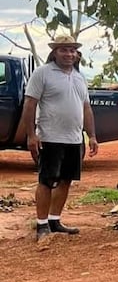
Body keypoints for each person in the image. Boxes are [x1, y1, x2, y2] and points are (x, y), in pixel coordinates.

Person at [22, 35, 99, 241]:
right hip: (50, 137)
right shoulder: (42, 74)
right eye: (64, 50)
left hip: (74, 139)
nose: (69, 54)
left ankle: (55, 221)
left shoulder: (79, 76)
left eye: (72, 50)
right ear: (54, 52)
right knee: (46, 181)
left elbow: (86, 108)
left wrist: (91, 135)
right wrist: (31, 135)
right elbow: (30, 104)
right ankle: (41, 224)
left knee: (66, 180)